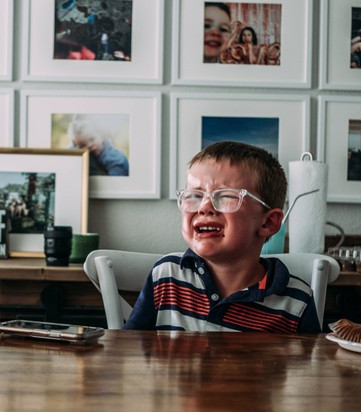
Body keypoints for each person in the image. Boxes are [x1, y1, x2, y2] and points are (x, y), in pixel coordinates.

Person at [124, 141, 320, 333]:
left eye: (226, 196)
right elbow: (130, 351)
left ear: (268, 223)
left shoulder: (297, 301)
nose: (204, 207)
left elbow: (310, 365)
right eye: (194, 196)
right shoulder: (165, 275)